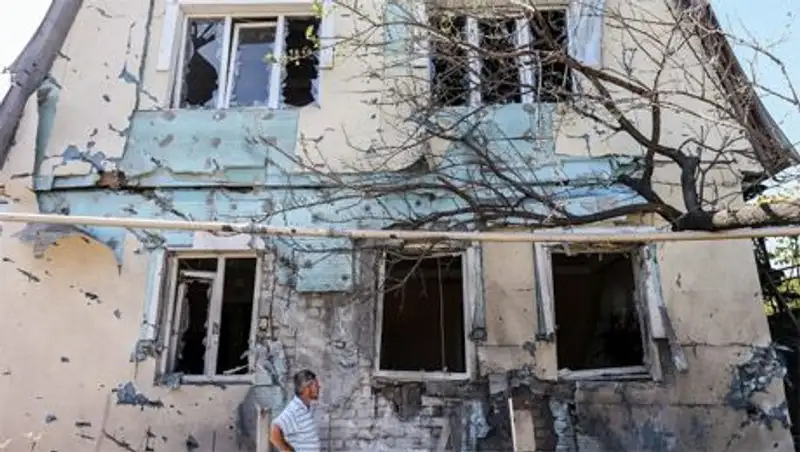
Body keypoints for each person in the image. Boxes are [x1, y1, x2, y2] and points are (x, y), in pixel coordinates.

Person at [270, 369, 321, 452]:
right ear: (306, 388)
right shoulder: (294, 409)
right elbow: (274, 434)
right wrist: (287, 450)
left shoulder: (308, 408)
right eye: (315, 385)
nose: (318, 387)